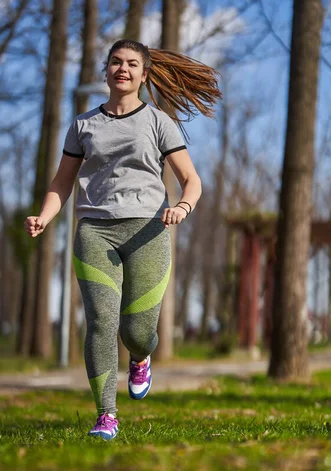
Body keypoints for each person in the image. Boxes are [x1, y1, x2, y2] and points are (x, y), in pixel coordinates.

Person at [24, 39, 221, 441]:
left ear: (144, 74)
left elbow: (192, 180)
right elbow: (62, 183)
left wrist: (182, 207)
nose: (123, 69)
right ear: (106, 70)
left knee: (135, 329)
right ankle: (106, 415)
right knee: (100, 321)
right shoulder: (83, 125)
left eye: (132, 64)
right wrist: (44, 217)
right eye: (116, 62)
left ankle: (141, 355)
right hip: (94, 231)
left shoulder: (158, 122)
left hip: (148, 230)